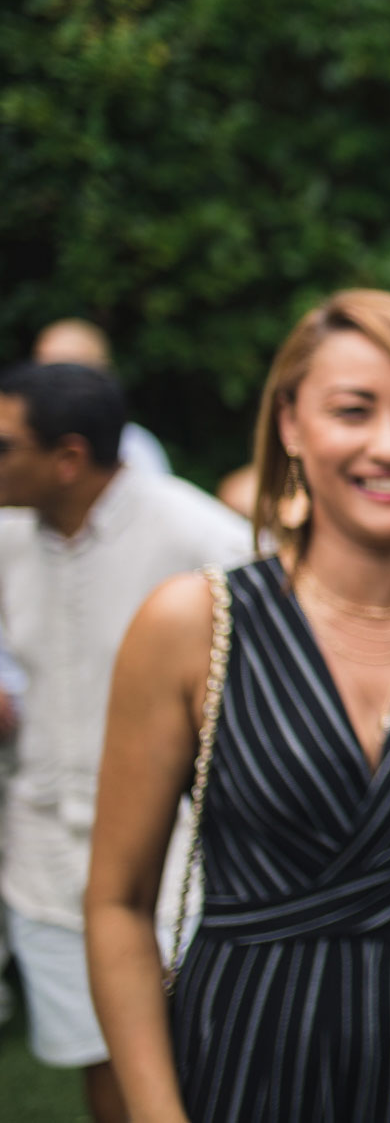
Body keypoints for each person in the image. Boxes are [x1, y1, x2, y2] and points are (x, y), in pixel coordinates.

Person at [84, 289, 390, 1122]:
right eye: (353, 410)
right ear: (291, 426)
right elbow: (118, 903)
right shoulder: (194, 624)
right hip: (245, 1042)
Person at [0, 363, 248, 1123]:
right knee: (100, 1062)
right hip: (42, 856)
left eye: (4, 445)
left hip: (176, 857)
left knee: (202, 1060)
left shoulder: (201, 535)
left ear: (68, 457)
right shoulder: (6, 537)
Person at [35, 318, 173, 476]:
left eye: (73, 372)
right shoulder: (20, 446)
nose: (58, 385)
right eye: (46, 371)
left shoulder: (135, 449)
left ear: (104, 373)